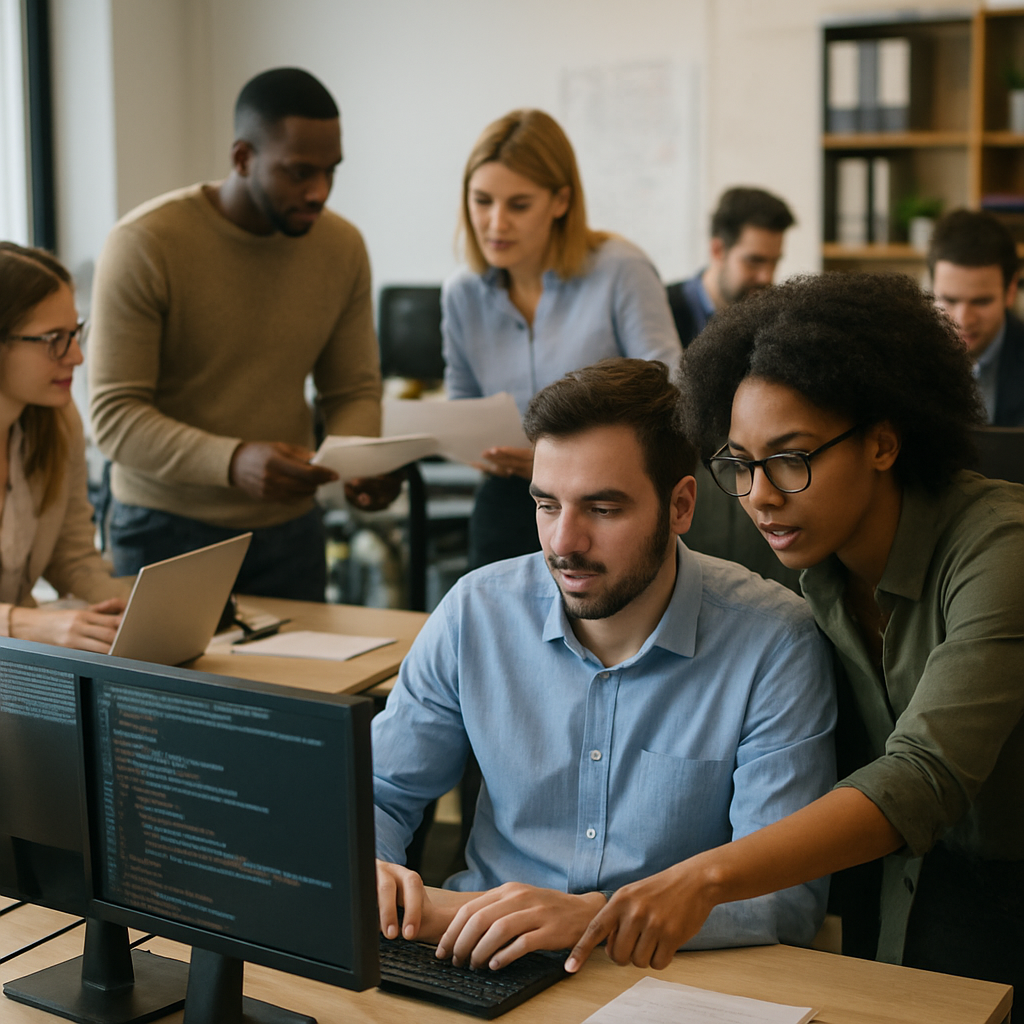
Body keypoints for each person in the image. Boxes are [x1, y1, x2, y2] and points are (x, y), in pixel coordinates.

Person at [568, 274, 1024, 997]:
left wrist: (705, 877)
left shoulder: (1001, 550)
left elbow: (922, 776)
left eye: (792, 458)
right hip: (899, 880)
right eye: (740, 464)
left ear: (882, 443)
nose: (761, 495)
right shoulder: (819, 558)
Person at [373, 358, 836, 970]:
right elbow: (378, 793)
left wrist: (595, 918)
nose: (563, 542)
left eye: (603, 509)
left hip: (663, 976)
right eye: (547, 505)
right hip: (473, 957)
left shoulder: (774, 643)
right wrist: (372, 866)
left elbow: (784, 898)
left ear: (680, 506)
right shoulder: (475, 612)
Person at [89, 67, 398, 602]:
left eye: (330, 171)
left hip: (289, 530)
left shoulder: (342, 247)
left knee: (307, 665)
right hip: (164, 529)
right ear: (242, 158)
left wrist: (358, 461)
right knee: (168, 666)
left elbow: (351, 390)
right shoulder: (144, 244)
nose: (319, 191)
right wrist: (233, 461)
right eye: (299, 172)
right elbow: (114, 417)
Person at [442, 109, 682, 569]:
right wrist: (474, 448)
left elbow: (670, 396)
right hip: (507, 496)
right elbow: (463, 403)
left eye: (518, 205)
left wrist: (553, 455)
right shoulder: (461, 292)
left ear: (561, 201)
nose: (495, 223)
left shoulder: (621, 270)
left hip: (605, 498)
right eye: (482, 201)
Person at [0, 243, 129, 651]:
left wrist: (132, 608)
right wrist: (23, 624)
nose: (76, 356)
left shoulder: (57, 421)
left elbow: (71, 557)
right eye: (54, 339)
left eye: (75, 333)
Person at [928, 208, 1024, 426]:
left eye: (981, 302)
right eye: (949, 300)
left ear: (1010, 291)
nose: (963, 320)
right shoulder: (902, 358)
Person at [666, 187, 795, 346]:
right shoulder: (661, 311)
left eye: (774, 262)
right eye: (754, 261)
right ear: (718, 250)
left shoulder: (776, 324)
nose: (766, 277)